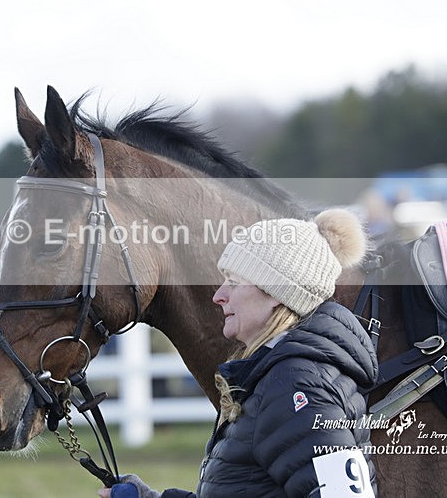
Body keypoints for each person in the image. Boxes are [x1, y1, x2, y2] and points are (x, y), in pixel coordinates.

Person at [99, 209, 378, 498]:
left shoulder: (297, 385)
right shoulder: (280, 377)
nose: (218, 295)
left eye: (233, 282)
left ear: (275, 292)